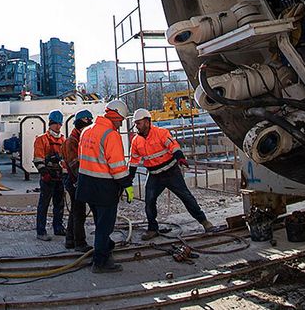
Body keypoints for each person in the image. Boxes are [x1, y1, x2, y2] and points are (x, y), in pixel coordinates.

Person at [129, 108, 211, 240]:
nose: (136, 126)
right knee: (149, 201)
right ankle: (152, 229)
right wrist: (130, 177)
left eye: (138, 123)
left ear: (147, 122)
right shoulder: (136, 141)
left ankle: (205, 222)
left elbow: (173, 145)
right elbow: (133, 160)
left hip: (171, 173)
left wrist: (180, 156)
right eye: (136, 123)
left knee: (186, 197)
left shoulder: (161, 133)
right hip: (155, 175)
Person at [75, 99, 133, 273]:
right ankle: (100, 263)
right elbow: (117, 166)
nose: (121, 123)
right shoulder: (111, 135)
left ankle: (106, 247)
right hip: (104, 187)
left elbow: (81, 157)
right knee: (104, 226)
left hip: (86, 185)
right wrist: (127, 185)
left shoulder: (86, 131)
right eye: (121, 120)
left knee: (100, 222)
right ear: (115, 116)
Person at [32, 110, 67, 240]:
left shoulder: (63, 140)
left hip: (60, 177)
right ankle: (41, 231)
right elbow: (37, 159)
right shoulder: (42, 140)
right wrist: (44, 173)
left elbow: (65, 159)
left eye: (59, 124)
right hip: (48, 177)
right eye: (55, 124)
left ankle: (58, 227)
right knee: (44, 204)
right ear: (50, 123)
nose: (58, 127)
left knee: (59, 203)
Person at [62, 109, 93, 251]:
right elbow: (74, 164)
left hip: (76, 179)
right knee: (79, 212)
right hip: (75, 180)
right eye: (88, 121)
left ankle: (70, 239)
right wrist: (83, 180)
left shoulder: (80, 138)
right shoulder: (72, 141)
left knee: (75, 211)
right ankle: (79, 243)